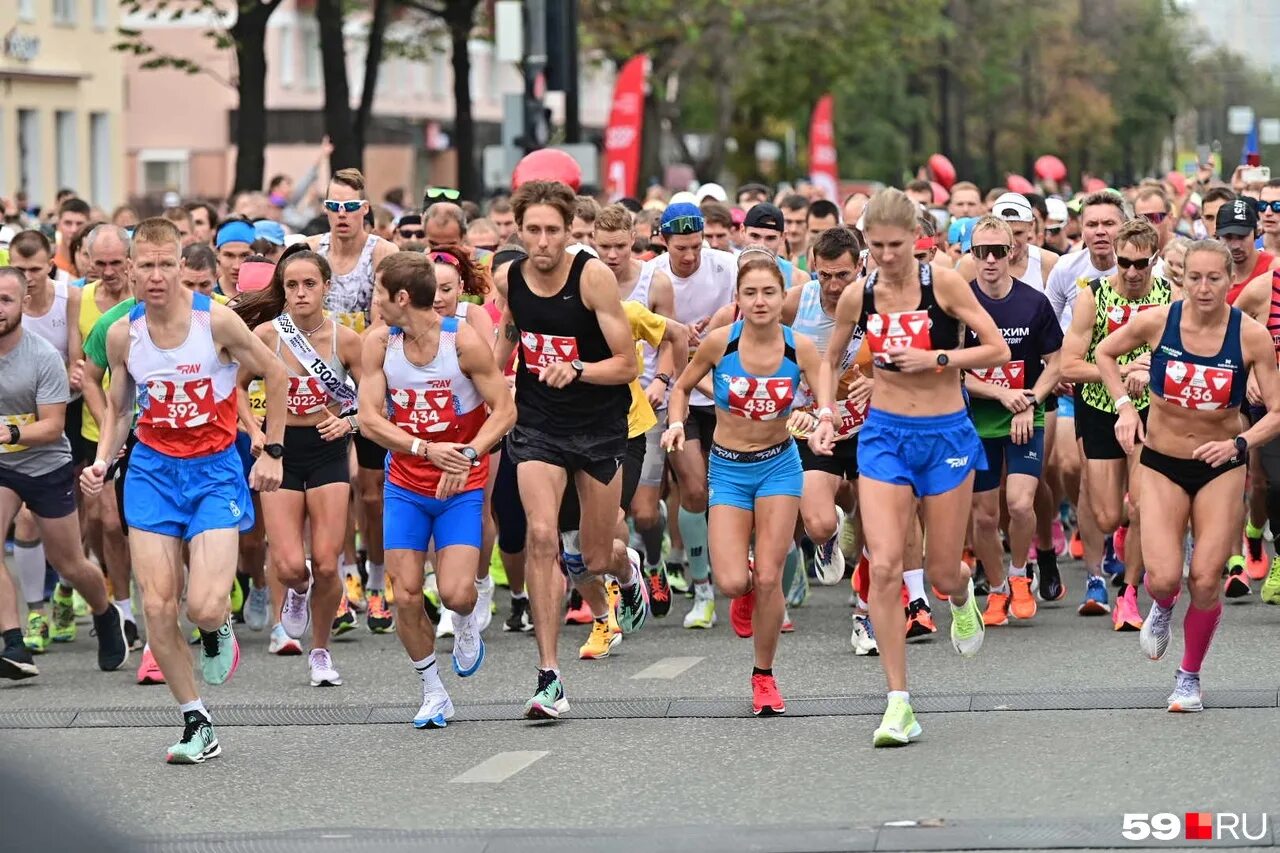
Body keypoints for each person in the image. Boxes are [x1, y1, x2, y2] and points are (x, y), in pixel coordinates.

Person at [80, 218, 288, 764]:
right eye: (144, 265)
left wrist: (271, 451)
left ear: (181, 267)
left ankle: (218, 630)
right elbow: (121, 409)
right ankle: (197, 720)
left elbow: (276, 373)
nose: (154, 275)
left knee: (204, 604)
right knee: (156, 604)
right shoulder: (123, 332)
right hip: (150, 471)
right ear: (130, 269)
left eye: (164, 264)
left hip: (214, 471)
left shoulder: (214, 322)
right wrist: (103, 461)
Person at [809, 188, 1009, 747]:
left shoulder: (941, 282)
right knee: (888, 563)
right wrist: (826, 412)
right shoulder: (859, 294)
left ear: (916, 240)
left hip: (945, 434)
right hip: (884, 437)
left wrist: (936, 359)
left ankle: (964, 593)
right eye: (876, 246)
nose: (887, 256)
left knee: (942, 573)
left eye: (896, 245)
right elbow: (829, 362)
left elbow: (997, 350)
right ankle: (898, 701)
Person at [1098, 240, 1280, 712]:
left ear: (1228, 280)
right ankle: (1160, 607)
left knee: (1204, 578)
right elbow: (1104, 353)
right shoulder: (1159, 321)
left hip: (1220, 466)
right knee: (1162, 579)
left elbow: (1276, 412)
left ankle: (1189, 676)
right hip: (1161, 462)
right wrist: (1122, 406)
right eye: (1194, 277)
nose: (1203, 287)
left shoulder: (1250, 335)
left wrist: (1239, 443)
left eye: (1214, 278)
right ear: (1181, 280)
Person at [493, 180, 645, 720]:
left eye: (552, 230)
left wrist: (578, 367)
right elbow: (512, 332)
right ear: (518, 229)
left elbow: (628, 366)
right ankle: (549, 675)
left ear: (567, 230)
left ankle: (627, 575)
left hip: (601, 425)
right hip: (538, 425)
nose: (542, 241)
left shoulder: (593, 277)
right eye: (532, 230)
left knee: (597, 554)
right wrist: (494, 379)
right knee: (541, 535)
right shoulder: (507, 275)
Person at [358, 253, 515, 727]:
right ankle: (433, 690)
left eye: (378, 292)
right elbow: (368, 420)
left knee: (456, 594)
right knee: (405, 595)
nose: (373, 301)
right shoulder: (378, 344)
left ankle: (467, 622)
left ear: (401, 298)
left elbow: (504, 411)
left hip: (460, 484)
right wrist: (424, 448)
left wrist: (468, 454)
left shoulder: (462, 342)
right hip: (406, 484)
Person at [663, 255, 823, 715]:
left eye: (768, 292)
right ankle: (747, 590)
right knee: (735, 582)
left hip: (779, 467)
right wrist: (676, 422)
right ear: (737, 298)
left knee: (770, 576)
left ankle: (764, 677)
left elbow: (820, 401)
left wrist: (813, 416)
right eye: (750, 293)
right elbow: (681, 387)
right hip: (728, 470)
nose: (759, 301)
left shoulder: (800, 349)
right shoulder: (719, 343)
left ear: (781, 298)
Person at [233, 250, 364, 686]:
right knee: (290, 565)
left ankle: (321, 651)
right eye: (292, 285)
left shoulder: (345, 341)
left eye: (310, 284)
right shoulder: (268, 335)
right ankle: (297, 591)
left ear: (326, 287)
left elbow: (373, 401)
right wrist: (254, 430)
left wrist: (347, 420)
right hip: (280, 450)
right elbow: (234, 388)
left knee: (328, 563)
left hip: (327, 449)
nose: (301, 293)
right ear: (282, 290)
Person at [0, 266, 128, 679]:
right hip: (3, 466)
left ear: (23, 303)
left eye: (5, 300)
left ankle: (106, 614)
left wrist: (11, 431)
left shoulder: (41, 356)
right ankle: (14, 643)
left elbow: (53, 426)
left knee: (70, 562)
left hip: (46, 465)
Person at [1062, 218, 1172, 628]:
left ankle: (1129, 593)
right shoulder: (1094, 296)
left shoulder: (1169, 298)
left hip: (1151, 411)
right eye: (1123, 262)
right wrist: (1123, 372)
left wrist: (1153, 368)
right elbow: (1069, 365)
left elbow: (1186, 357)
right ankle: (1120, 534)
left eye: (1139, 264)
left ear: (1154, 260)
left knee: (1143, 503)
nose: (1130, 272)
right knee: (1109, 515)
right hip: (1100, 406)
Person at [960, 217, 1063, 626]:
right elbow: (951, 369)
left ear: (1013, 252)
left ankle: (1021, 574)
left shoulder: (1033, 302)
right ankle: (998, 588)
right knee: (984, 515)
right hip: (977, 419)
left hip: (1025, 412)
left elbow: (1056, 363)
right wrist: (1001, 394)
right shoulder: (961, 302)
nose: (989, 259)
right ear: (971, 254)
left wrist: (1030, 400)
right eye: (980, 251)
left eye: (998, 251)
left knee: (1020, 503)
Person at [425, 247, 498, 639]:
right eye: (432, 289)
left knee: (479, 510)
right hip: (432, 433)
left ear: (460, 288)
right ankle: (446, 597)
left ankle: (480, 583)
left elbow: (486, 368)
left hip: (478, 429)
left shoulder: (474, 316)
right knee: (436, 512)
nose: (438, 298)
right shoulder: (410, 322)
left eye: (446, 289)